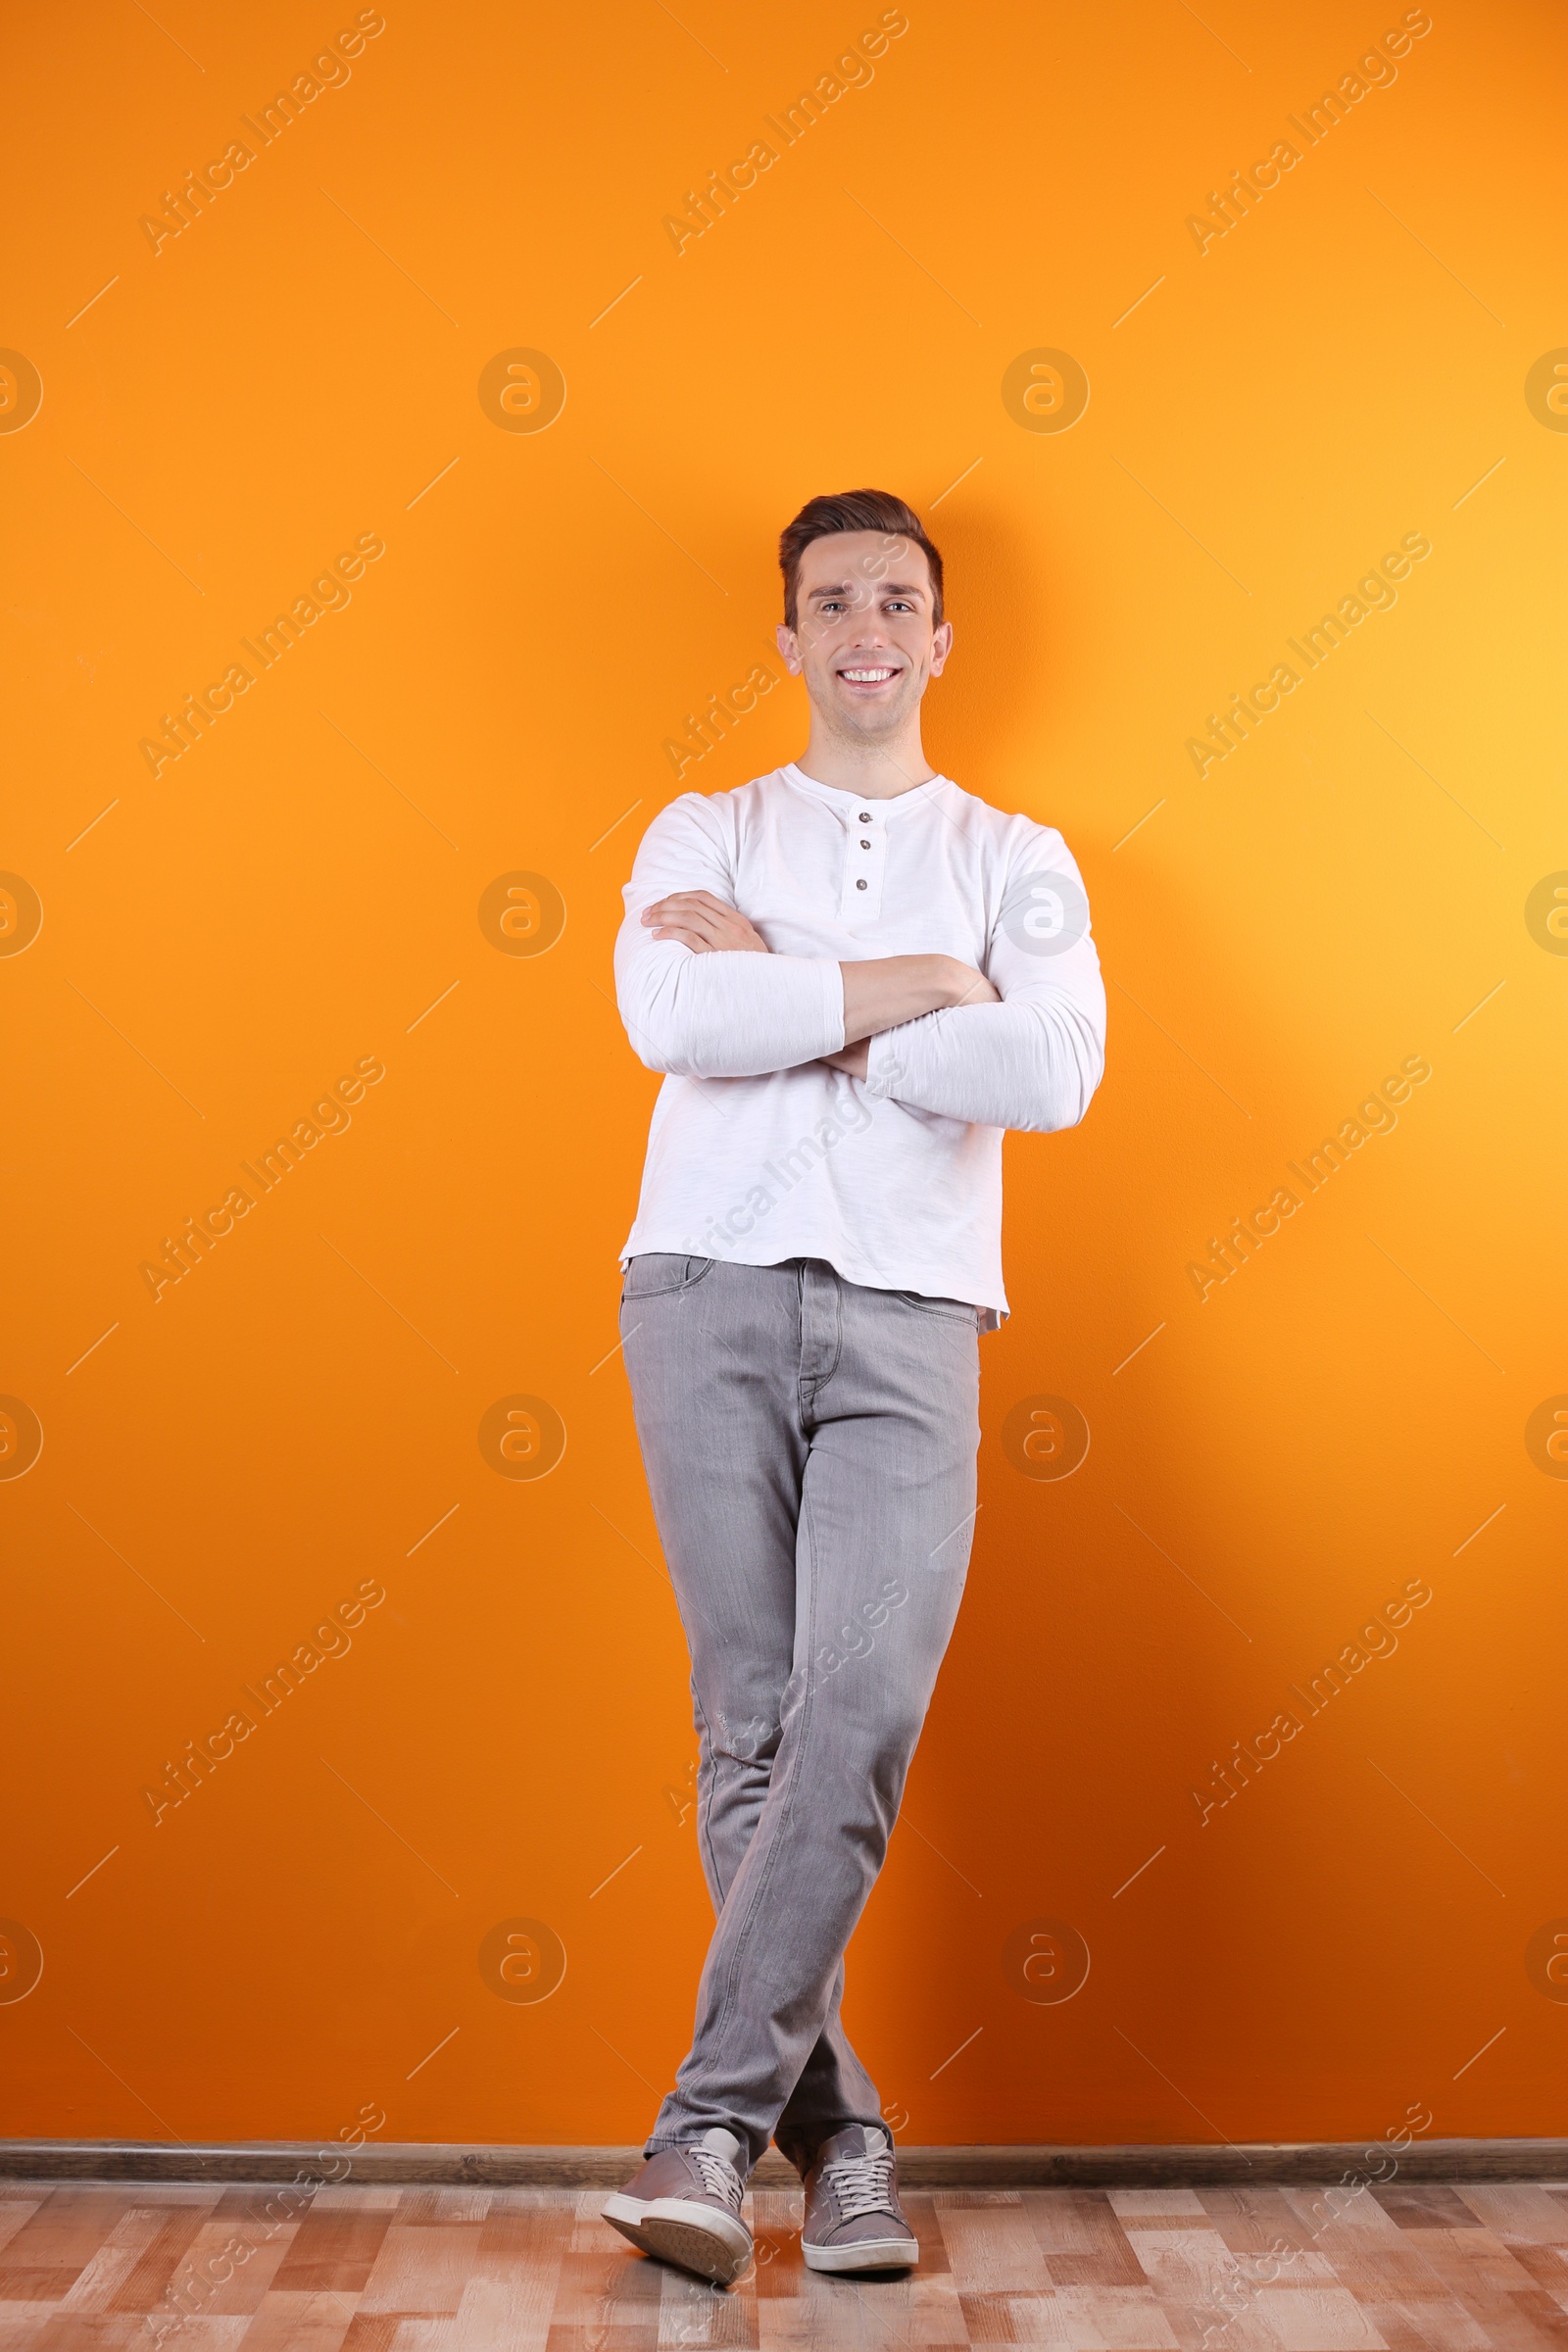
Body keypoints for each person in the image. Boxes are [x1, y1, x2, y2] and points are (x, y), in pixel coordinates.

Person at [600, 488, 1105, 2285]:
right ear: (792, 638)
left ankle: (712, 2126)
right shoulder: (705, 822)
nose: (868, 628)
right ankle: (851, 2150)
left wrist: (802, 999)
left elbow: (1049, 1071)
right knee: (751, 1734)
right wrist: (911, 990)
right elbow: (676, 1023)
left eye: (900, 598)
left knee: (854, 1711)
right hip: (702, 1290)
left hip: (912, 1319)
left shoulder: (1018, 850)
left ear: (941, 638)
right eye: (834, 602)